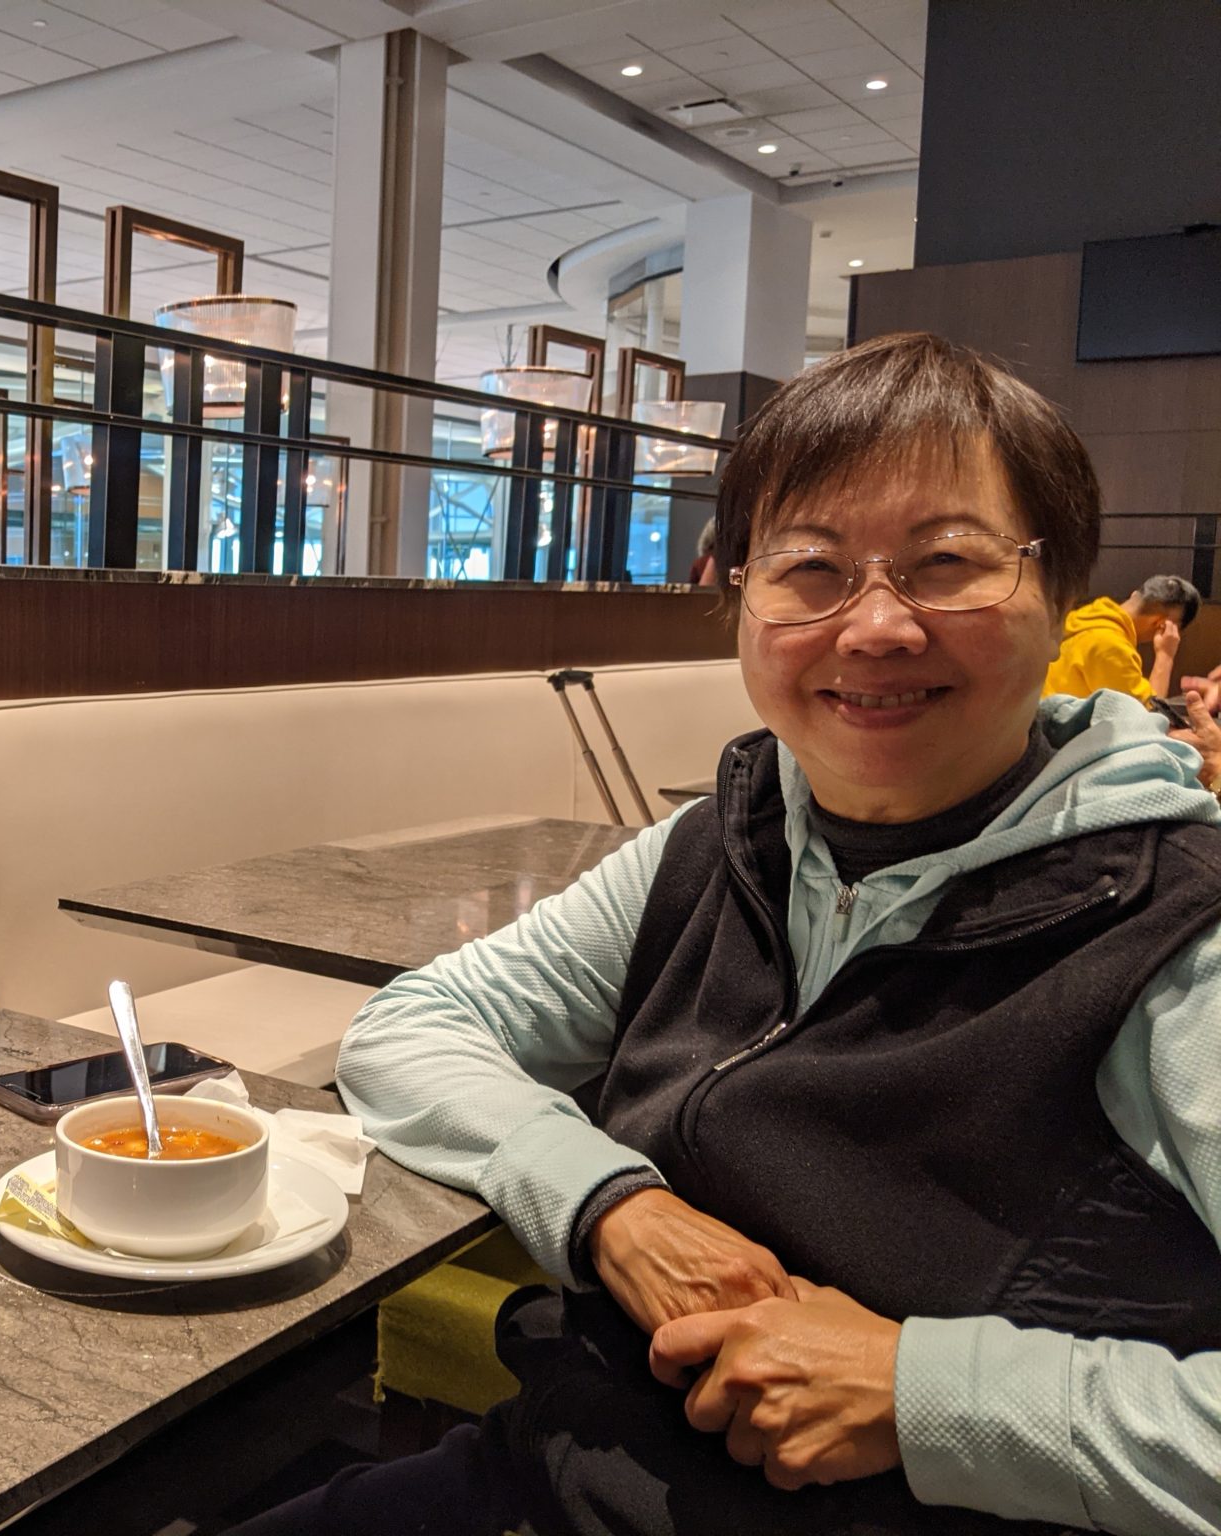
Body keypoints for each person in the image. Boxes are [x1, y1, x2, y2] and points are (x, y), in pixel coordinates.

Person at [228, 333, 1221, 1536]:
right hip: (561, 1468)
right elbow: (411, 1027)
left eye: (945, 563)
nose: (874, 626)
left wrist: (925, 1397)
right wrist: (608, 1205)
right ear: (740, 595)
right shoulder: (724, 841)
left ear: (1057, 593)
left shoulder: (1176, 933)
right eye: (810, 567)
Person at [1043, 574, 1202, 704]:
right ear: (1161, 625)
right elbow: (1147, 716)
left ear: (1134, 595)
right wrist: (1165, 656)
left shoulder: (1081, 619)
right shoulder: (1111, 646)